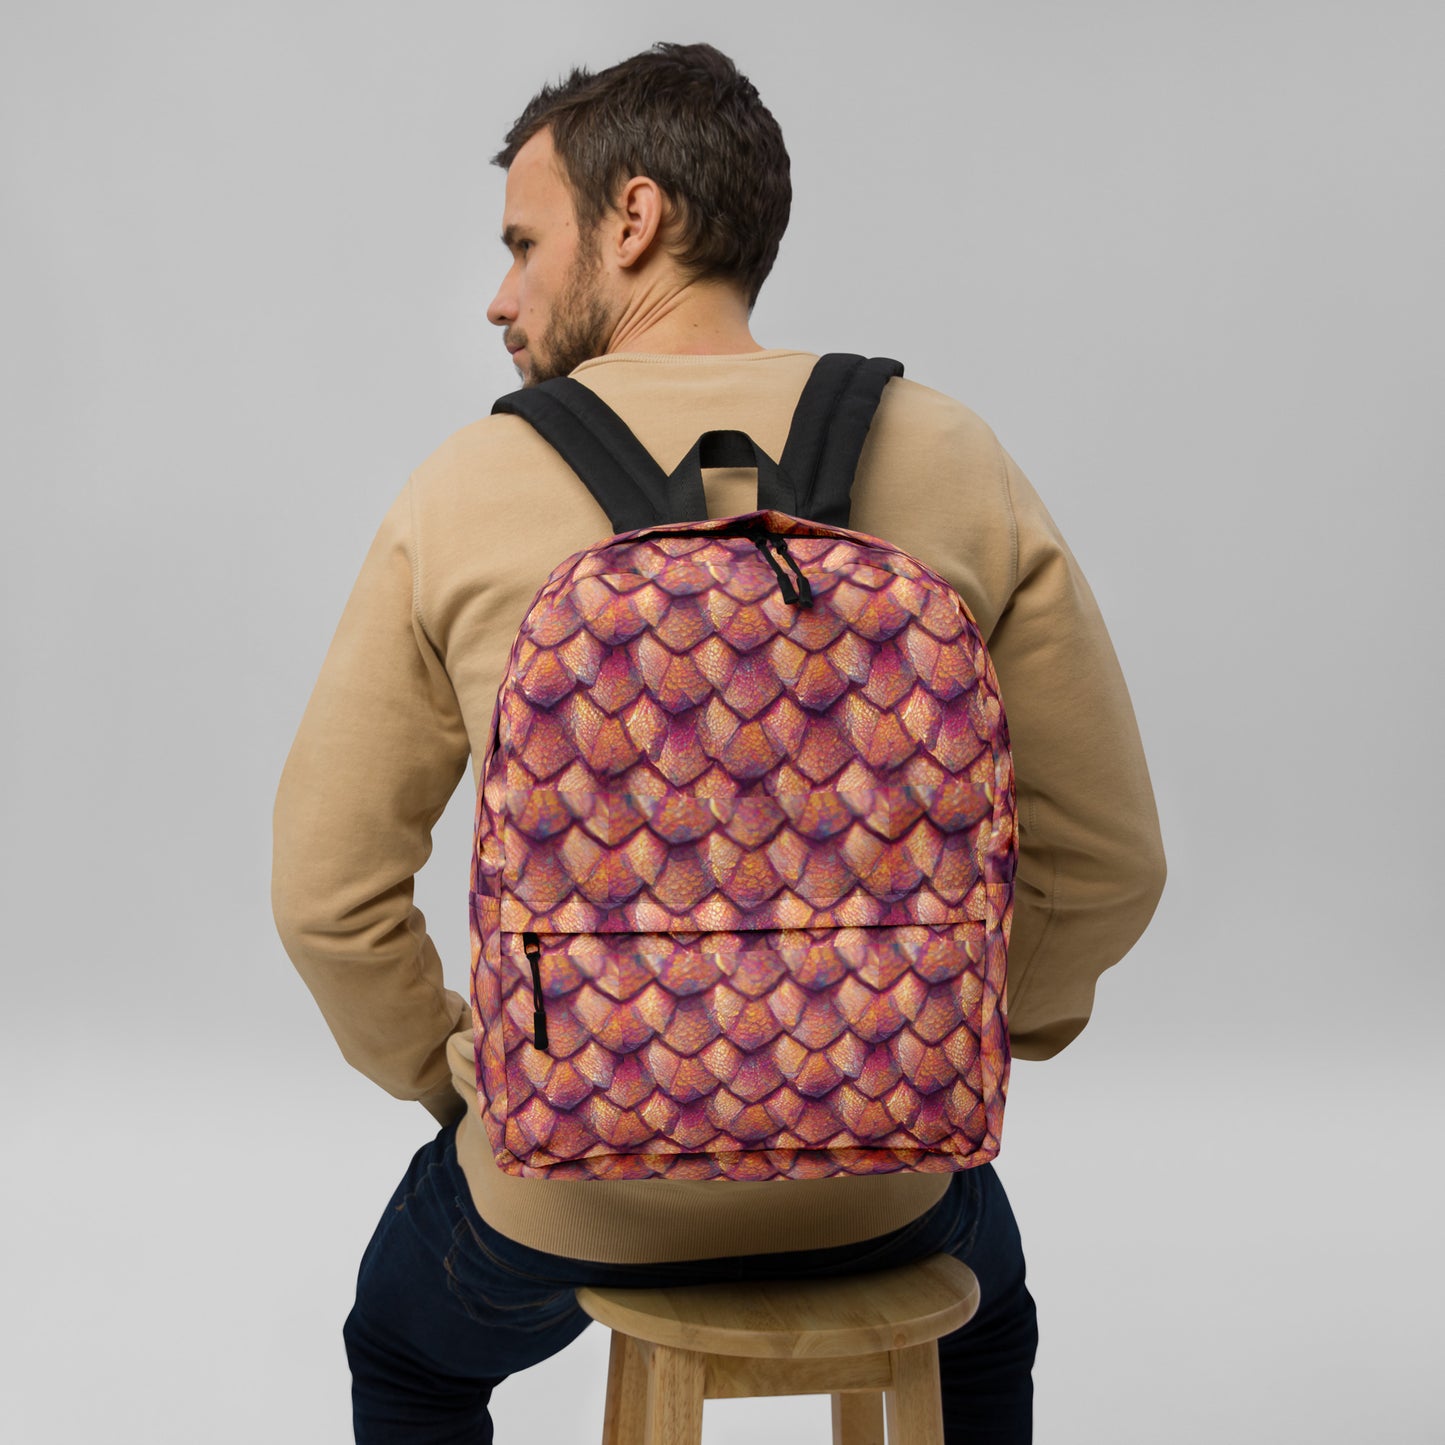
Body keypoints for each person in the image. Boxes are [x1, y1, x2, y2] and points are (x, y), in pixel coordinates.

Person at [272, 41, 1165, 1445]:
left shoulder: (464, 489)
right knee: (987, 1321)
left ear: (633, 218)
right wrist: (967, 1035)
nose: (500, 296)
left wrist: (470, 1077)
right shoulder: (952, 454)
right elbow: (1109, 863)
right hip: (885, 1172)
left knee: (407, 1354)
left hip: (566, 1182)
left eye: (523, 244)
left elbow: (327, 899)